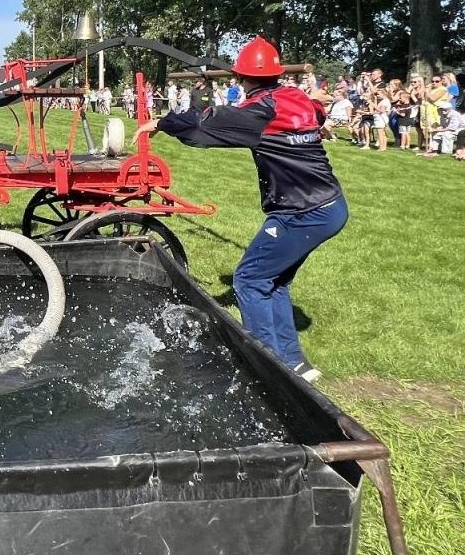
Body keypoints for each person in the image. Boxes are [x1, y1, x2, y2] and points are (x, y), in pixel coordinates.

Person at [136, 36, 346, 383]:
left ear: (243, 78)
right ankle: (295, 365)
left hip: (302, 211)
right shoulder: (296, 98)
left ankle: (267, 371)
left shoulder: (260, 111)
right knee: (273, 281)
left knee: (249, 280)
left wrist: (162, 123)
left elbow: (207, 121)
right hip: (329, 205)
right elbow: (319, 112)